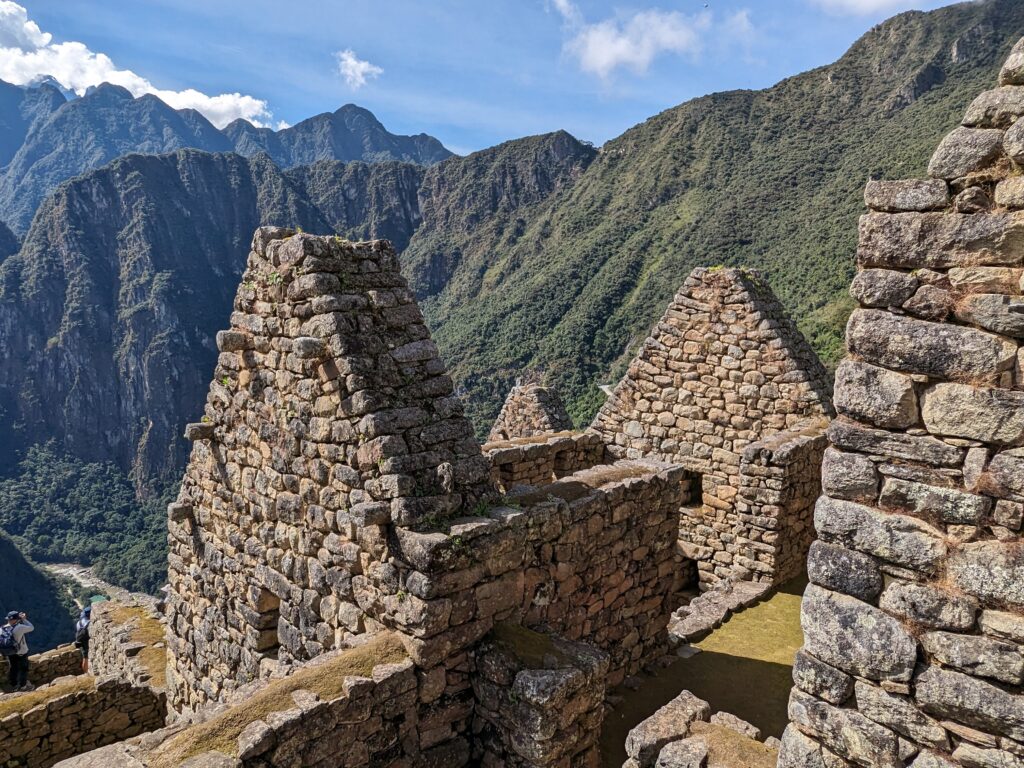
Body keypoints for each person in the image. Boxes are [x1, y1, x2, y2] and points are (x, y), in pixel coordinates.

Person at [1, 611, 34, 691]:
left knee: (13, 668)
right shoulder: (19, 627)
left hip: (10, 652)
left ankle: (14, 685)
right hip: (21, 652)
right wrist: (24, 619)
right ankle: (23, 686)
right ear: (17, 619)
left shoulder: (2, 628)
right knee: (23, 668)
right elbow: (31, 627)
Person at [74, 606, 91, 673]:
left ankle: (85, 672)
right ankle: (86, 672)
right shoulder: (89, 623)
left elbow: (78, 631)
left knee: (84, 658)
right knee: (86, 658)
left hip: (80, 642)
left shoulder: (79, 623)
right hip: (86, 642)